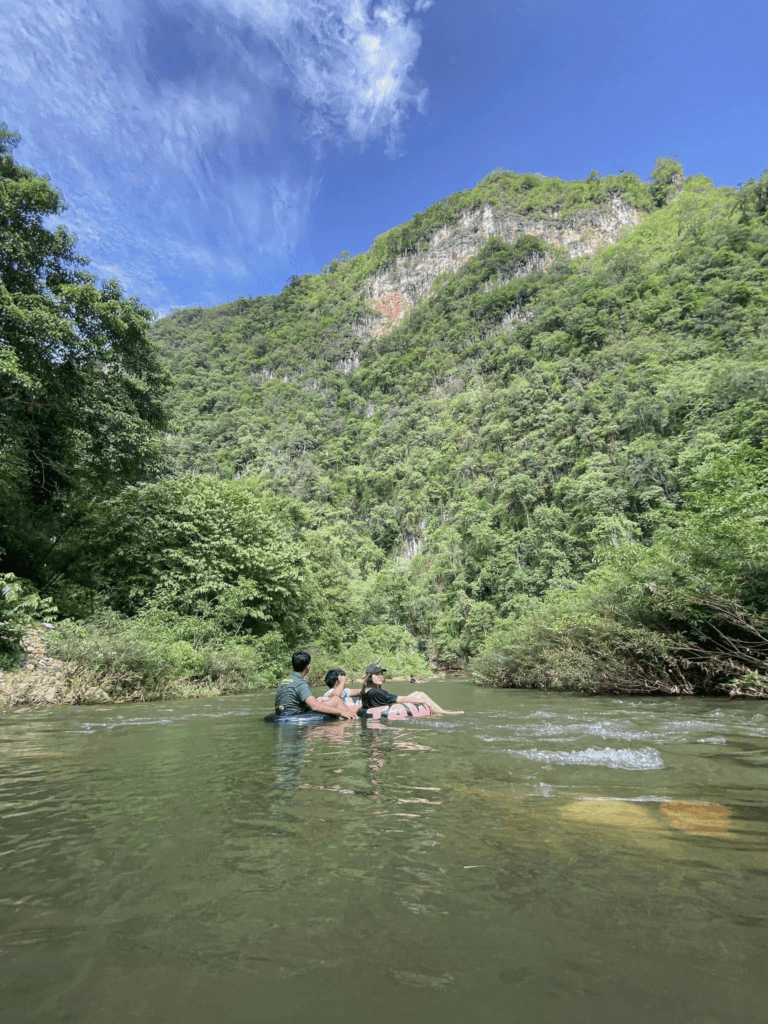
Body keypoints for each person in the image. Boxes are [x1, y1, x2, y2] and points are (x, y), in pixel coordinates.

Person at [274, 651, 357, 719]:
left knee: (321, 701)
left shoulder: (286, 680)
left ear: (293, 666)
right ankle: (353, 719)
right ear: (308, 667)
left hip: (284, 713)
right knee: (336, 700)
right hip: (295, 715)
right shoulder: (301, 683)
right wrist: (340, 712)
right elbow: (314, 706)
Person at [358, 663, 463, 715]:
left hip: (382, 708)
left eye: (382, 674)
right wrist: (422, 701)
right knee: (421, 695)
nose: (381, 677)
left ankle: (441, 711)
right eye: (378, 674)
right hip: (388, 711)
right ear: (370, 677)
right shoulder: (375, 692)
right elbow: (401, 699)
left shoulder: (365, 691)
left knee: (417, 692)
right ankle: (444, 713)